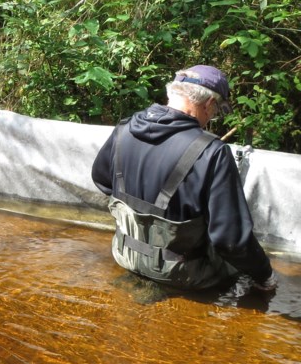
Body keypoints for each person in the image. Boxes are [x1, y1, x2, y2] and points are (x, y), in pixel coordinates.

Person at [91, 64, 277, 292]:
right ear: (209, 104)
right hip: (184, 275)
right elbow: (230, 240)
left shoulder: (124, 129)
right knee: (243, 277)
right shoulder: (212, 152)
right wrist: (265, 276)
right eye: (216, 110)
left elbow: (100, 179)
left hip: (125, 255)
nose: (212, 117)